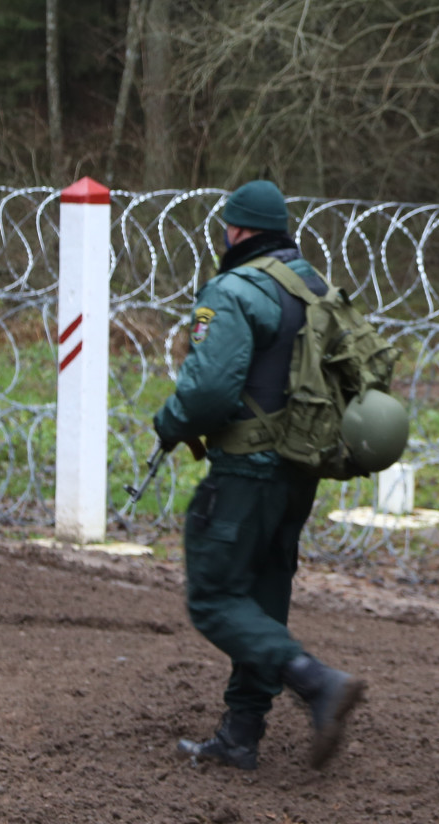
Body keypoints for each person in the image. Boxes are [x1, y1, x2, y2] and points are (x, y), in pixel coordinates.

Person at [156, 179, 365, 771]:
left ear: (237, 230)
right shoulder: (314, 289)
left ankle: (316, 681)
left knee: (217, 597)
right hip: (299, 469)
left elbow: (206, 393)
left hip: (246, 470)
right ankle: (240, 734)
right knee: (263, 599)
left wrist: (170, 421)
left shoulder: (233, 290)